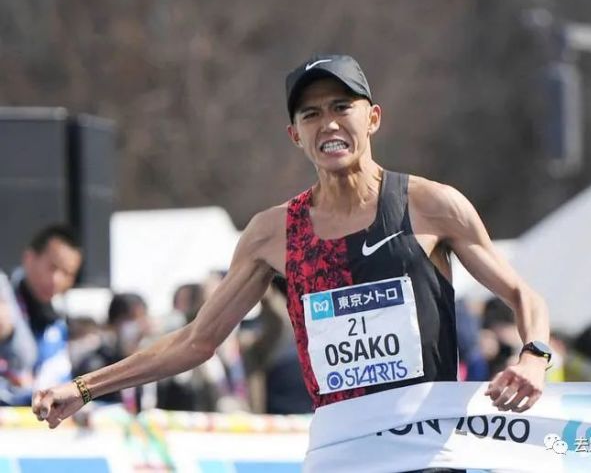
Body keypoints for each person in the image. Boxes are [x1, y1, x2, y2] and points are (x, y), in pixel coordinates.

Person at [33, 55, 551, 472]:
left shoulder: (430, 205)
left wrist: (533, 356)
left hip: (430, 449)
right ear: (294, 135)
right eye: (310, 114)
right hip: (339, 451)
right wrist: (84, 388)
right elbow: (197, 341)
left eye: (341, 106)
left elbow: (523, 296)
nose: (328, 123)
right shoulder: (272, 233)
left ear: (372, 117)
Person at [0, 224, 82, 405]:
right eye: (52, 267)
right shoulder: (4, 297)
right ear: (29, 258)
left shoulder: (56, 325)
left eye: (67, 273)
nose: (56, 280)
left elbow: (58, 386)